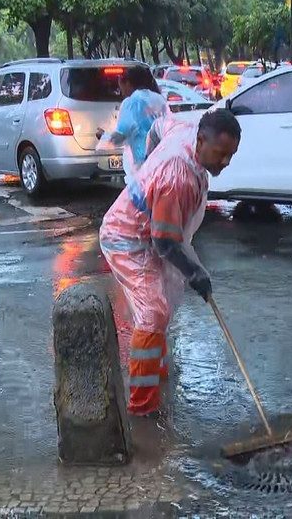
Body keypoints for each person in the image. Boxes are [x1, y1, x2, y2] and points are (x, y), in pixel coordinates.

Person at [99, 109, 241, 416]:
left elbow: (157, 126)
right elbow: (164, 242)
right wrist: (194, 273)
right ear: (201, 141)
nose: (226, 162)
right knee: (153, 312)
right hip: (127, 237)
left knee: (162, 305)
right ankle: (142, 406)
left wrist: (146, 163)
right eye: (221, 154)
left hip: (152, 233)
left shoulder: (184, 129)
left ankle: (156, 374)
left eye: (231, 155)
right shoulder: (176, 177)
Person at [96, 65, 168, 176]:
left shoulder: (131, 103)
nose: (121, 91)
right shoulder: (159, 99)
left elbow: (120, 136)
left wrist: (103, 136)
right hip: (161, 161)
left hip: (142, 166)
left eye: (121, 85)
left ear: (128, 83)